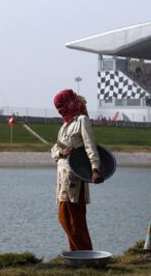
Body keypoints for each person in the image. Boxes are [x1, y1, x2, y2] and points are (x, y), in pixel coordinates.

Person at [51, 89, 102, 251]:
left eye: (61, 106)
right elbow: (54, 150)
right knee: (65, 218)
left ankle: (84, 253)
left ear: (70, 103)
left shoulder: (81, 121)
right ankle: (77, 252)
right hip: (62, 180)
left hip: (75, 179)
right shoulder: (65, 126)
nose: (60, 110)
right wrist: (61, 152)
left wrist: (95, 168)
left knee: (74, 220)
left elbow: (90, 145)